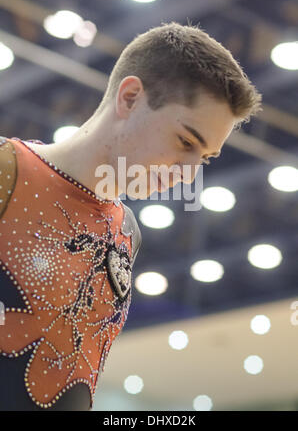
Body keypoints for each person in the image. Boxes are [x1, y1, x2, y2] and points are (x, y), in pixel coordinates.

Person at [0, 21, 262, 411]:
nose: (188, 174)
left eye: (204, 157)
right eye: (185, 141)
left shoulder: (127, 232)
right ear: (131, 97)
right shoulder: (7, 170)